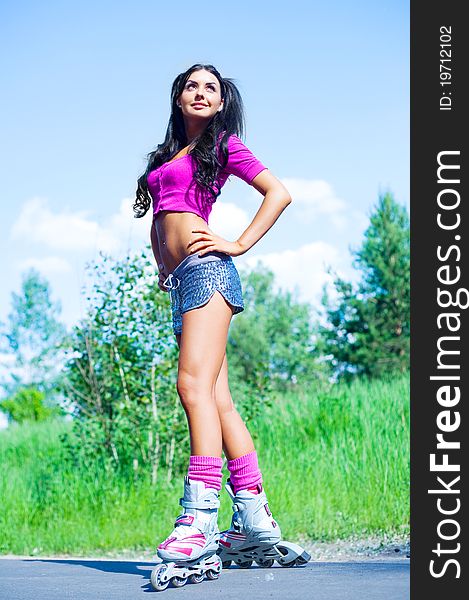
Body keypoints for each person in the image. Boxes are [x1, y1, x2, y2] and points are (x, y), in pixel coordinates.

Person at [133, 63, 292, 584]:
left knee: (191, 386)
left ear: (221, 103)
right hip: (183, 281)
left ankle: (199, 520)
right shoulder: (166, 156)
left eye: (211, 88)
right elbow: (163, 217)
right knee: (218, 400)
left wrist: (238, 243)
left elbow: (278, 193)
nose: (200, 93)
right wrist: (163, 265)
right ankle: (252, 518)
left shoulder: (222, 145)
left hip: (208, 270)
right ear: (178, 97)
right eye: (191, 85)